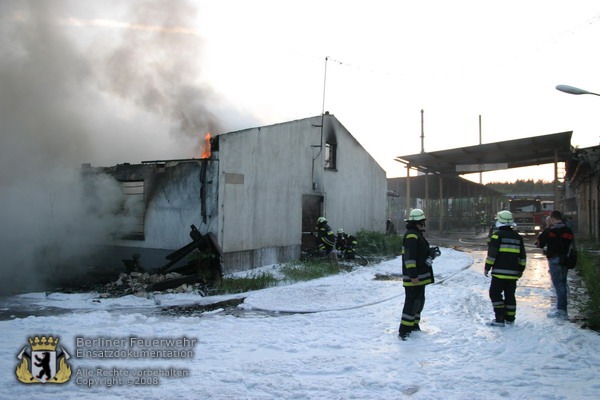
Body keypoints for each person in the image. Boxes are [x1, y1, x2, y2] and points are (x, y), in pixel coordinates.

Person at [484, 210, 527, 326]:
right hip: (513, 273)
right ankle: (510, 318)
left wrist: (487, 267)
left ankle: (499, 318)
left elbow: (492, 254)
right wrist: (521, 270)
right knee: (510, 295)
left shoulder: (497, 236)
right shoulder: (518, 237)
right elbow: (522, 256)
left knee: (494, 293)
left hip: (499, 273)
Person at [398, 209, 436, 340]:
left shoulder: (417, 234)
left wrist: (429, 254)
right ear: (419, 222)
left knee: (418, 302)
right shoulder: (411, 236)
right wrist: (413, 275)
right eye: (422, 222)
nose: (423, 224)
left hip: (420, 277)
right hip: (414, 277)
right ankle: (404, 330)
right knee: (411, 302)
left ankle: (414, 325)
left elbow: (419, 254)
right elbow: (409, 258)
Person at [535, 210, 575, 319]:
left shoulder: (549, 231)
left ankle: (561, 311)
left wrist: (546, 229)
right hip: (565, 260)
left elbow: (539, 244)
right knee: (563, 283)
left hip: (554, 260)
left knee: (558, 285)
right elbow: (572, 245)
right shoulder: (568, 230)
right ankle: (562, 309)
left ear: (552, 219)